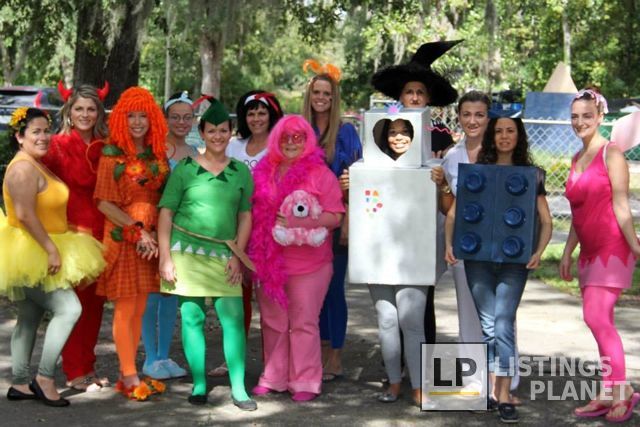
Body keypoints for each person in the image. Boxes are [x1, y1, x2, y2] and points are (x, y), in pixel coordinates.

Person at [445, 116, 552, 423]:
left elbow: (546, 220)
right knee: (489, 326)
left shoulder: (532, 176)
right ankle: (493, 390)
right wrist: (449, 244)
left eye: (510, 131)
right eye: (499, 131)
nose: (504, 136)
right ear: (492, 137)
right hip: (477, 260)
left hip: (514, 263)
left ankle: (503, 394)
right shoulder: (476, 174)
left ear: (519, 136)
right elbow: (453, 214)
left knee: (503, 323)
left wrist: (538, 251)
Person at [0, 107, 105, 406]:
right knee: (69, 309)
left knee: (29, 316)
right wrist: (50, 249)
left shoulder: (35, 163)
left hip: (39, 245)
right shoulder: (22, 169)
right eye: (36, 131)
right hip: (32, 250)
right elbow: (24, 214)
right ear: (19, 136)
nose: (44, 137)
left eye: (46, 130)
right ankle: (44, 378)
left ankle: (20, 383)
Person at [157, 98, 256, 410]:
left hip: (226, 254)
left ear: (230, 132)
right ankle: (199, 383)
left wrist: (238, 256)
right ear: (202, 133)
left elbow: (245, 216)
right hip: (186, 252)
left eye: (223, 130)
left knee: (233, 319)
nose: (217, 136)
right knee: (192, 318)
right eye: (211, 130)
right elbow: (166, 213)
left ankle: (239, 388)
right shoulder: (184, 170)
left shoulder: (240, 171)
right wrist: (165, 257)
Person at [371, 40, 461, 353]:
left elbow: (445, 178)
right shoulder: (385, 132)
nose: (414, 97)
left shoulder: (440, 135)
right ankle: (395, 362)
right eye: (409, 92)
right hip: (391, 224)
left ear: (428, 98)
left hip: (427, 224)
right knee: (391, 298)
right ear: (400, 96)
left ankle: (426, 361)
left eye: (420, 92)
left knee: (423, 297)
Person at [432, 91, 523, 399]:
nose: (472, 120)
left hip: (503, 248)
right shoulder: (452, 157)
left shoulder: (503, 151)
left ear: (489, 117)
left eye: (479, 115)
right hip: (466, 247)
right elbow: (448, 207)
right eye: (466, 114)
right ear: (458, 117)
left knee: (502, 316)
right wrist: (443, 186)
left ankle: (505, 384)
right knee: (469, 313)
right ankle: (475, 381)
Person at [249, 115, 344, 402]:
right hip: (270, 262)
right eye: (285, 138)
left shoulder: (320, 174)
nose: (291, 143)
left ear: (307, 141)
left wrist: (300, 222)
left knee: (303, 323)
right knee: (273, 322)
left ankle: (306, 380)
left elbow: (335, 216)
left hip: (310, 265)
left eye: (298, 138)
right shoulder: (263, 171)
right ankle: (274, 377)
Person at [561, 88, 640, 423]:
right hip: (589, 252)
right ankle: (610, 390)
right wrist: (568, 251)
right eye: (575, 116)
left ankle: (622, 391)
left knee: (596, 317)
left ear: (600, 117)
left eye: (587, 116)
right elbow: (579, 212)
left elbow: (621, 206)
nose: (580, 122)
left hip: (612, 248)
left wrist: (635, 247)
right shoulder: (576, 158)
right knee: (599, 321)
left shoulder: (612, 154)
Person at [94, 87, 169, 400]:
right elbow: (103, 203)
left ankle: (130, 371)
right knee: (126, 308)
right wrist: (137, 231)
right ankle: (128, 375)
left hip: (150, 242)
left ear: (153, 120)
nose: (137, 122)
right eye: (131, 116)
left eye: (143, 116)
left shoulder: (157, 154)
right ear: (121, 120)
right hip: (125, 239)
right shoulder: (111, 155)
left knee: (140, 308)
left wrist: (155, 236)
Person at [208, 90, 283, 378]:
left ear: (271, 115)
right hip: (236, 231)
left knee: (271, 302)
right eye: (251, 113)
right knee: (235, 300)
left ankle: (273, 365)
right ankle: (232, 359)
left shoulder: (280, 147)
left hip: (269, 235)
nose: (256, 118)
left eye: (262, 113)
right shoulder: (234, 147)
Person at [41, 82, 110, 392]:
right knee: (75, 307)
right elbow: (33, 178)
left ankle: (88, 367)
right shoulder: (55, 145)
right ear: (69, 111)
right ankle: (74, 371)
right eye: (79, 108)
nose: (85, 114)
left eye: (91, 109)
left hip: (103, 234)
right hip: (71, 237)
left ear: (99, 113)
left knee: (95, 307)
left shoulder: (106, 145)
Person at [302, 60, 362, 382]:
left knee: (334, 289)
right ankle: (319, 349)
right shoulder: (300, 129)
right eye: (317, 92)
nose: (321, 98)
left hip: (337, 222)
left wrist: (349, 224)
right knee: (314, 292)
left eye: (327, 93)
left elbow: (357, 182)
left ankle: (335, 354)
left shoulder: (347, 132)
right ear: (309, 95)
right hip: (305, 225)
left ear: (334, 97)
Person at [367, 115, 428, 407]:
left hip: (413, 256)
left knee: (411, 321)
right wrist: (347, 187)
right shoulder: (366, 169)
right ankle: (393, 382)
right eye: (392, 132)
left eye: (405, 132)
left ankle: (418, 385)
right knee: (387, 320)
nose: (399, 137)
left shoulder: (429, 169)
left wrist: (441, 186)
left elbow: (445, 207)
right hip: (377, 256)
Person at [140, 91, 196, 380]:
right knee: (151, 293)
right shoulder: (154, 149)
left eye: (187, 117)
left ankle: (164, 355)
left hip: (181, 231)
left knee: (170, 292)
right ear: (165, 119)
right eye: (175, 117)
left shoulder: (195, 153)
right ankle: (150, 356)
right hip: (154, 226)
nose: (181, 122)